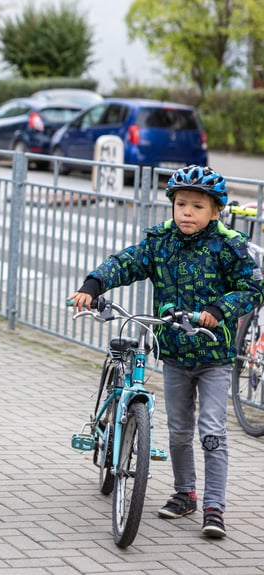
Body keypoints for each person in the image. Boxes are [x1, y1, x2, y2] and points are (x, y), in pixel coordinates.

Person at [68, 165, 264, 539]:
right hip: (173, 354)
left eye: (197, 207)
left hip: (214, 357)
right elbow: (127, 262)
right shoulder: (161, 242)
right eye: (181, 205)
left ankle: (214, 508)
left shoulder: (228, 245)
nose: (187, 213)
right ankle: (184, 494)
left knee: (212, 431)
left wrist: (219, 310)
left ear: (215, 211)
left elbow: (253, 287)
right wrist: (93, 284)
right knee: (177, 431)